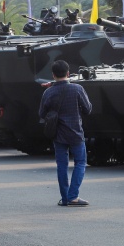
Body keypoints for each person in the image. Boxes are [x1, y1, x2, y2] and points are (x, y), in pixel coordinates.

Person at [38, 60, 92, 207]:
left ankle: (65, 198)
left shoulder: (48, 92)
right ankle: (73, 196)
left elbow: (42, 113)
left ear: (53, 75)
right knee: (80, 162)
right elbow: (88, 109)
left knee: (61, 165)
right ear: (68, 73)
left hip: (58, 134)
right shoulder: (77, 89)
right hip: (76, 132)